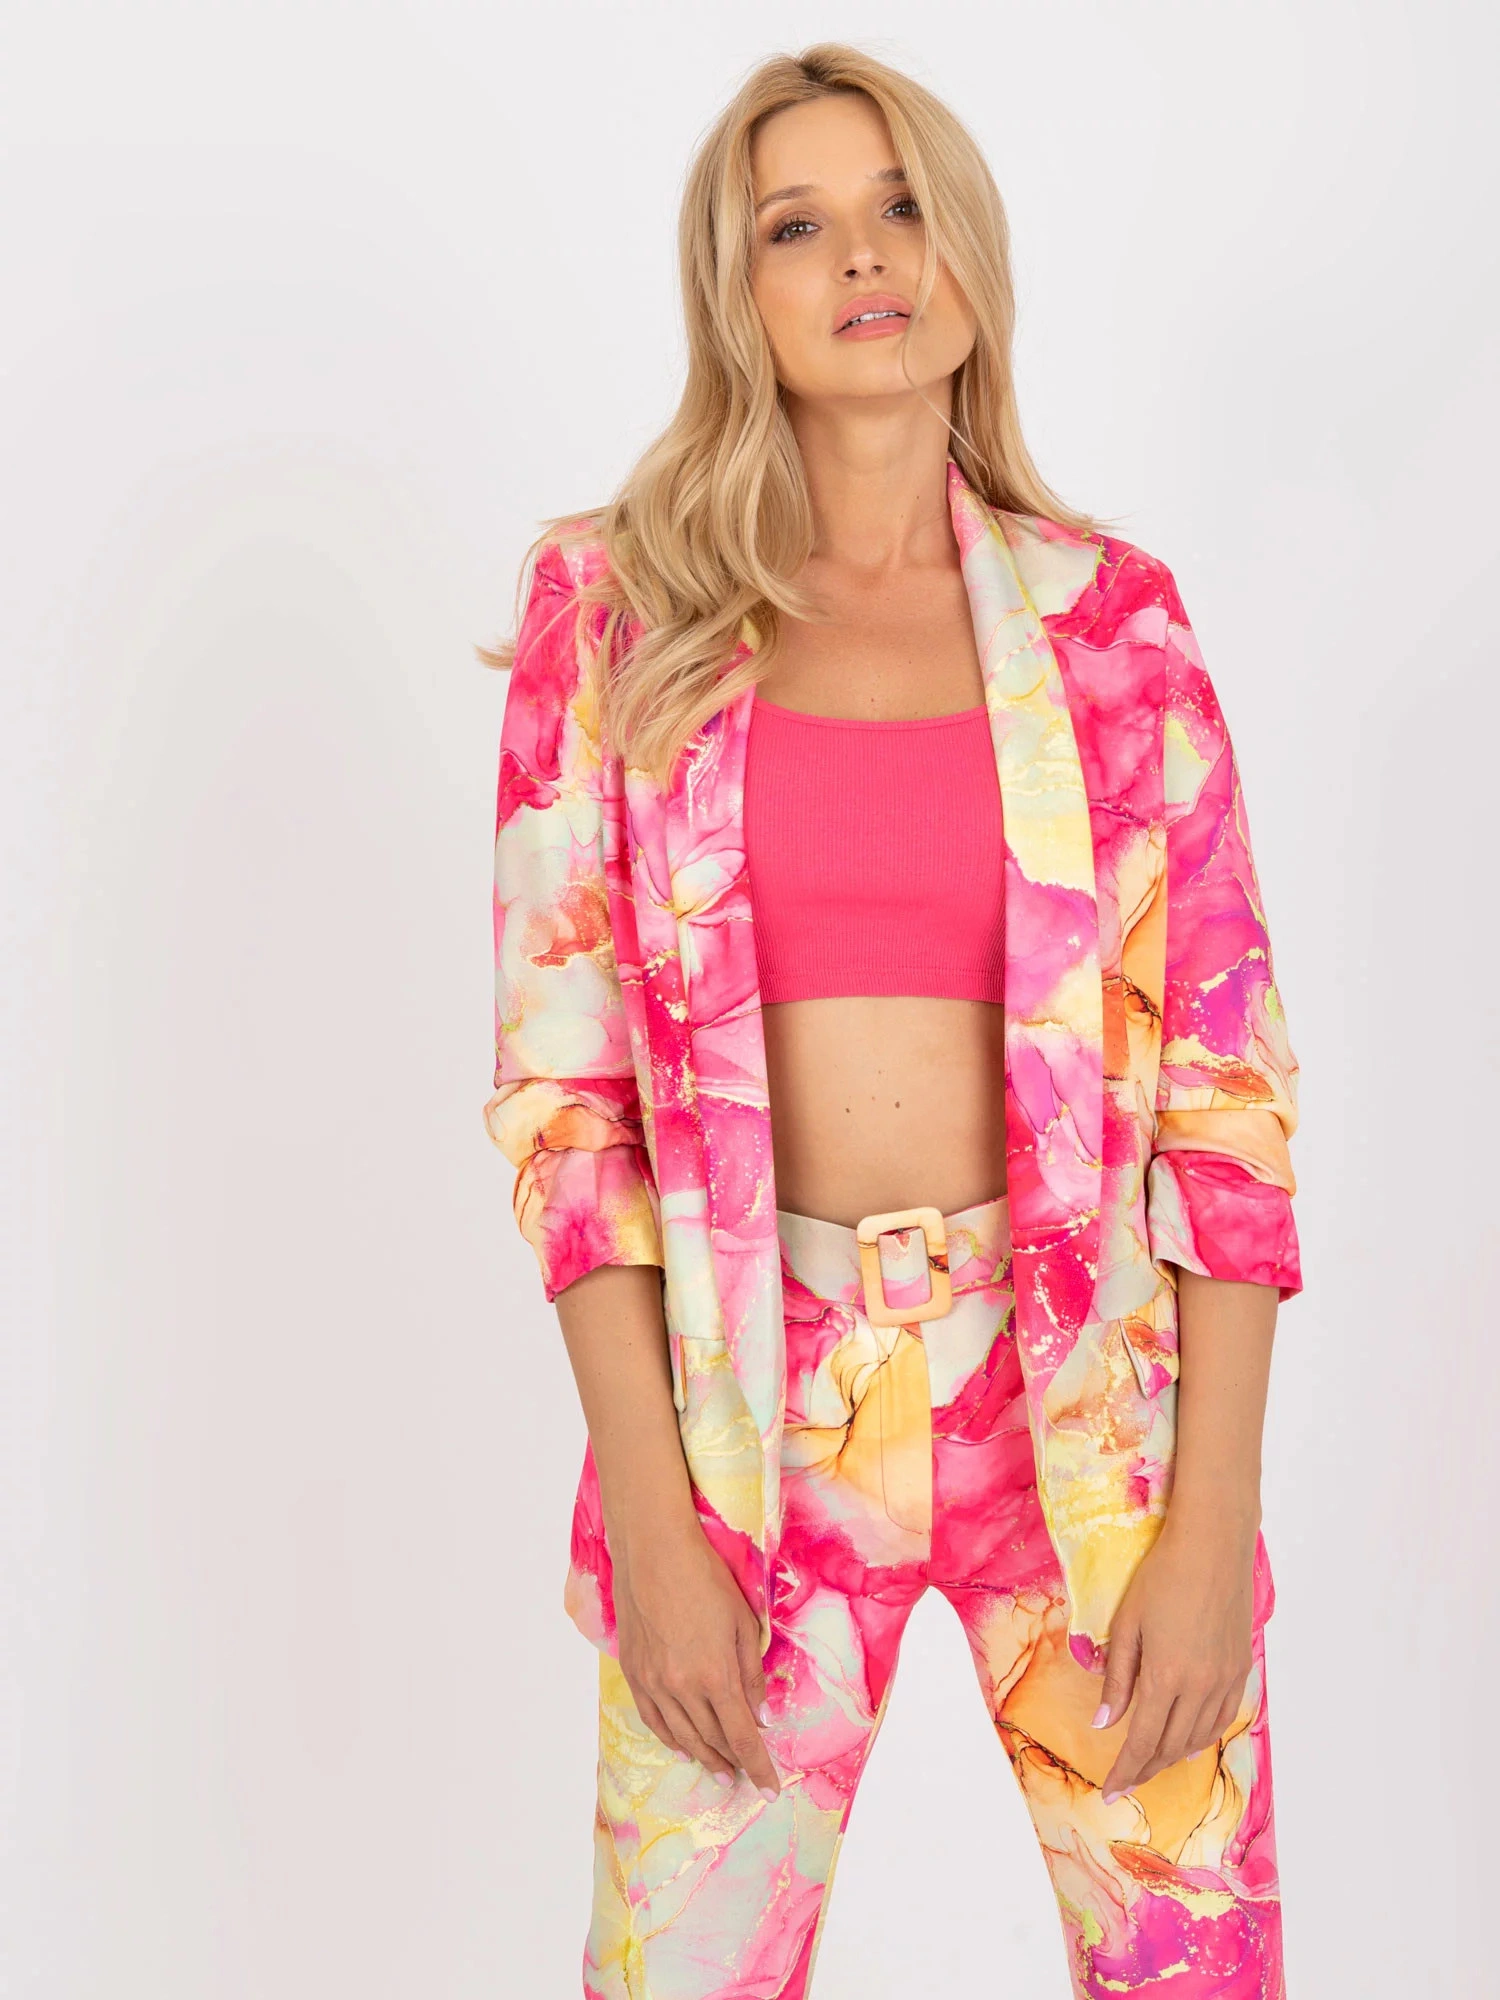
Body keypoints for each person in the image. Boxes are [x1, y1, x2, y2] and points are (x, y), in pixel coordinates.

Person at [481, 42, 1300, 2000]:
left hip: (1083, 1416)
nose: (863, 254)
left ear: (965, 252)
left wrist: (1212, 1525)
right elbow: (566, 1110)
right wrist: (656, 1526)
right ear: (736, 290)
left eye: (901, 204)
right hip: (745, 1430)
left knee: (1193, 1974)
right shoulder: (614, 613)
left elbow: (1229, 1098)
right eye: (799, 223)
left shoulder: (1111, 625)